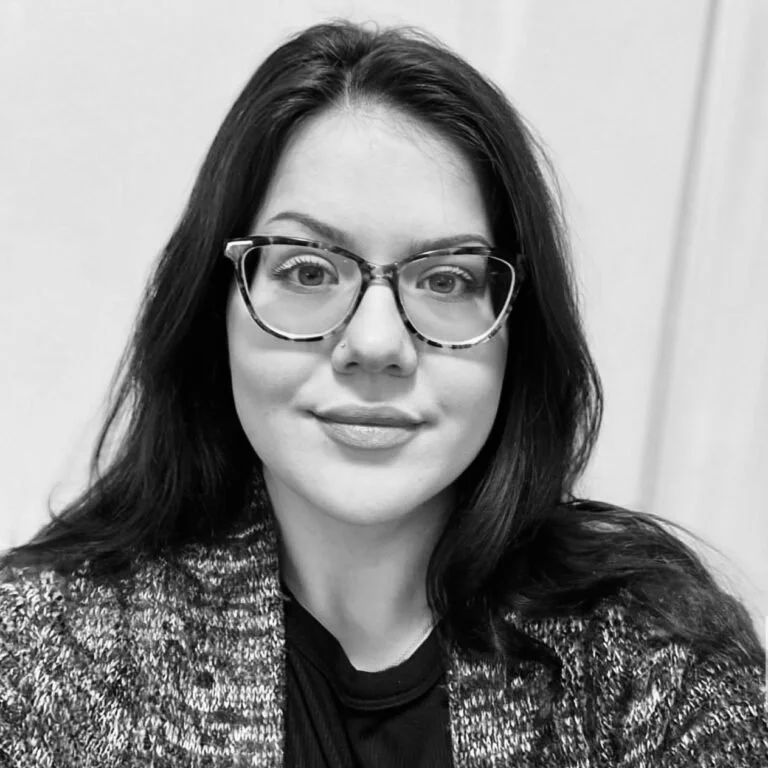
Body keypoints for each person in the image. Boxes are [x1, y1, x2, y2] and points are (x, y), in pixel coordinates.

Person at [0, 19, 765, 768]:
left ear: (517, 331)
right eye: (306, 270)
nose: (374, 346)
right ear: (215, 309)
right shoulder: (40, 655)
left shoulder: (659, 661)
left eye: (444, 279)